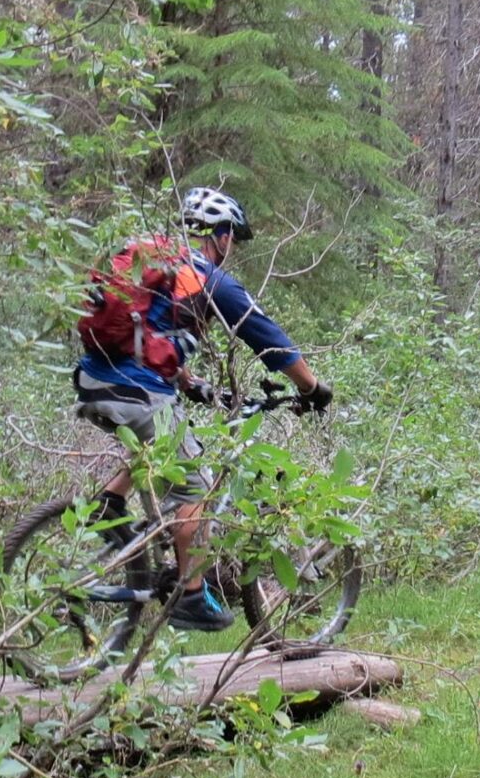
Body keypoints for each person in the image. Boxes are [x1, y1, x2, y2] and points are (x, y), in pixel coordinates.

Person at [74, 187, 332, 632]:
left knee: (163, 443)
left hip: (95, 381)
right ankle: (190, 597)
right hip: (135, 390)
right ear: (223, 234)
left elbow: (148, 337)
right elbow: (268, 339)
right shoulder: (209, 277)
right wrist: (311, 388)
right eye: (232, 236)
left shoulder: (155, 261)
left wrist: (190, 383)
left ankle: (110, 500)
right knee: (196, 486)